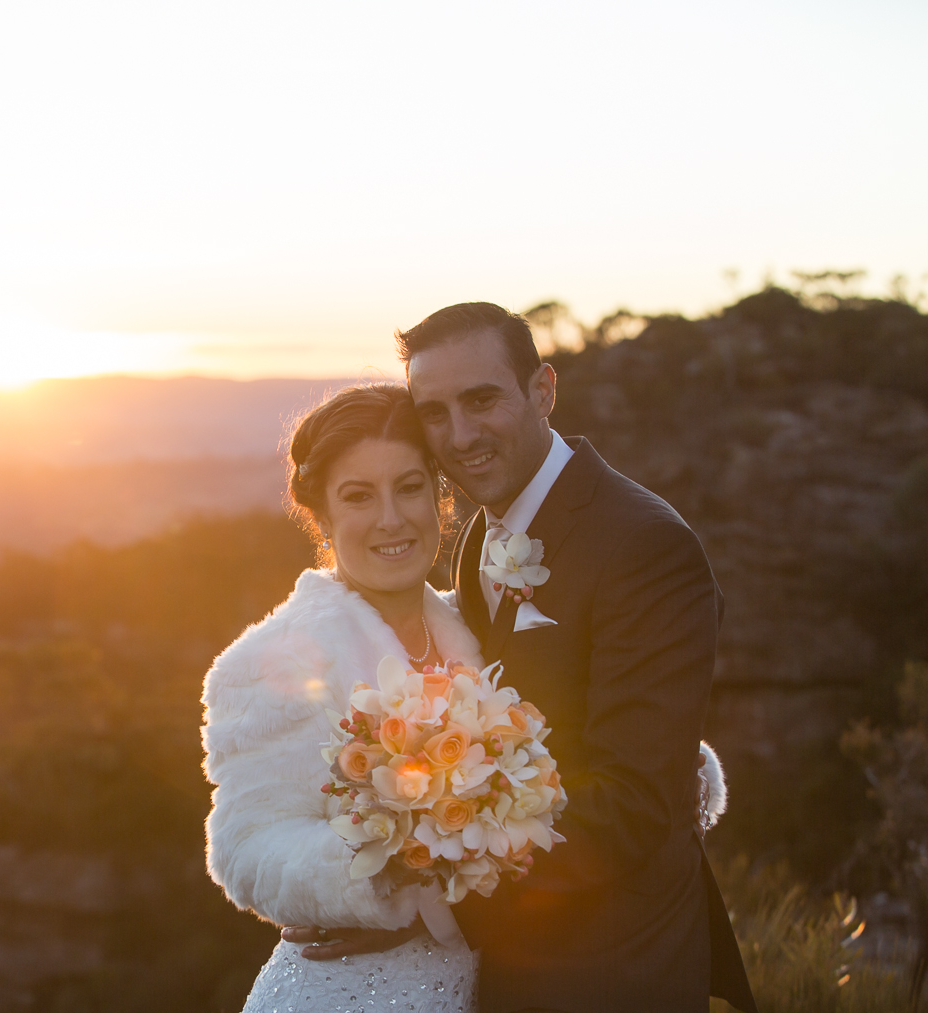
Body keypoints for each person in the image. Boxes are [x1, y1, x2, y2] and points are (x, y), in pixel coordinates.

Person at [275, 303, 755, 1012]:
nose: (460, 435)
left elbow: (634, 803)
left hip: (609, 964)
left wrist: (423, 897)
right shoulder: (478, 543)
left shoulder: (646, 547)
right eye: (433, 412)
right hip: (514, 954)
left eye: (482, 399)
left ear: (543, 391)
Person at [202, 384, 485, 1012]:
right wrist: (391, 878)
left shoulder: (486, 629)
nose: (391, 518)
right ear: (322, 516)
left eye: (410, 487)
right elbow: (247, 848)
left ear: (442, 499)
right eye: (358, 496)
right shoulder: (271, 660)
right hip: (353, 991)